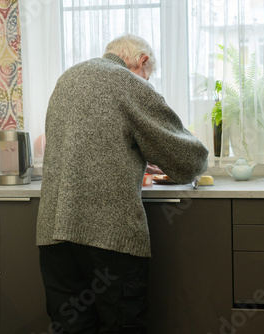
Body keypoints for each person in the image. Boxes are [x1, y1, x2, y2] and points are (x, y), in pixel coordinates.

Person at [36, 33, 208, 333]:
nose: (147, 80)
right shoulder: (129, 83)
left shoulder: (67, 78)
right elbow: (188, 161)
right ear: (142, 62)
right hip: (109, 239)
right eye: (148, 74)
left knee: (71, 327)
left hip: (54, 235)